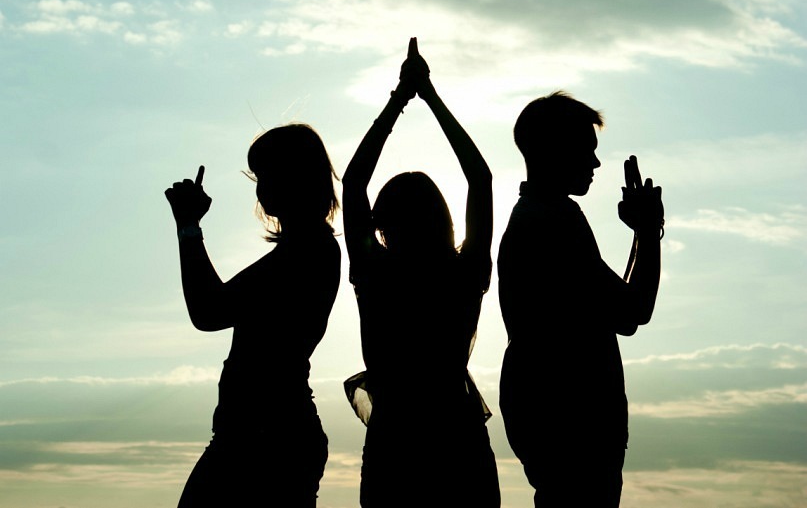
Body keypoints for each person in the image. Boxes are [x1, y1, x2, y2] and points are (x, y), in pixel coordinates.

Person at [342, 38, 500, 508]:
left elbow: (353, 182)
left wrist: (400, 98)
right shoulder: (465, 271)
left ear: (383, 226)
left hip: (396, 441)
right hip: (458, 436)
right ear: (444, 219)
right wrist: (429, 95)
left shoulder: (374, 274)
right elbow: (481, 179)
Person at [497, 91, 664, 507]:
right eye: (586, 150)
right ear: (555, 151)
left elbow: (621, 308)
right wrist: (648, 233)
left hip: (554, 421)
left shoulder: (543, 216)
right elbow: (632, 312)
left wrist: (644, 234)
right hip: (573, 426)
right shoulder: (550, 222)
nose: (595, 163)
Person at [164, 123, 341, 507]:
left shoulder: (306, 253)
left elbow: (209, 310)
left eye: (270, 175)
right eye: (259, 178)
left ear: (297, 179)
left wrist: (188, 227)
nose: (262, 189)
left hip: (264, 437)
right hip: (264, 432)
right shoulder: (310, 250)